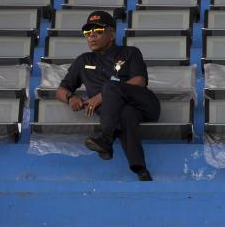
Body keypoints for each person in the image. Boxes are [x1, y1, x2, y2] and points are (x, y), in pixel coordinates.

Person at [56, 11, 160, 181]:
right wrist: (71, 97)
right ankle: (140, 168)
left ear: (111, 34)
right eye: (87, 33)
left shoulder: (130, 52)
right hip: (121, 115)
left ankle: (106, 139)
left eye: (97, 31)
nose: (92, 36)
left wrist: (101, 96)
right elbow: (60, 90)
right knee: (126, 114)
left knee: (111, 86)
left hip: (144, 105)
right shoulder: (83, 60)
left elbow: (140, 81)